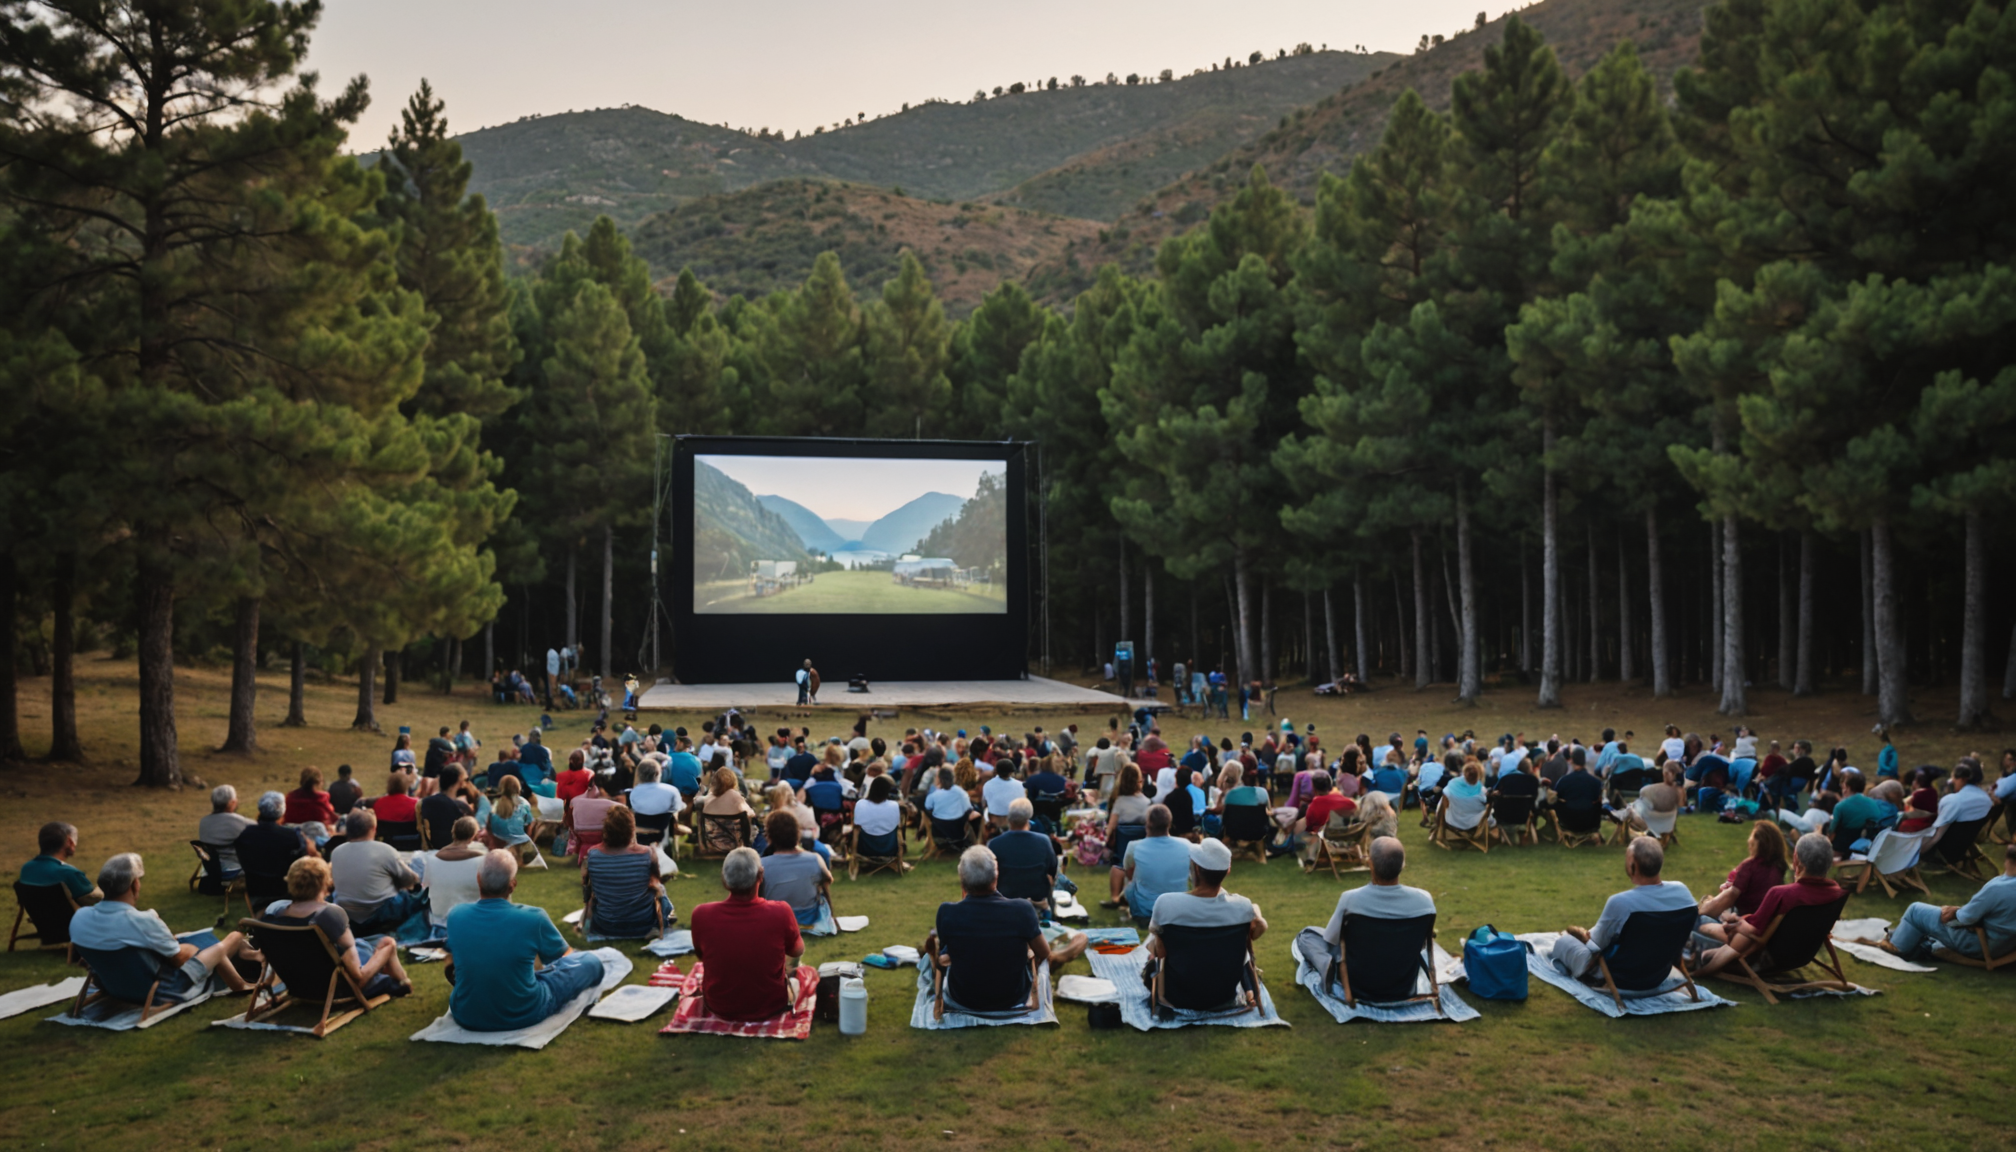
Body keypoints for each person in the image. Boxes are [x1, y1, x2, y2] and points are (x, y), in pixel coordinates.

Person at [443, 851, 605, 1031]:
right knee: (590, 962)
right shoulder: (533, 918)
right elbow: (564, 958)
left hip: (466, 1014)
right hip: (524, 1012)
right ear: (512, 885)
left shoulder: (456, 915)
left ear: (478, 879)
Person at [69, 853, 259, 995]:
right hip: (161, 989)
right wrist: (190, 948)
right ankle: (241, 986)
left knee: (196, 938)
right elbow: (178, 959)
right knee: (226, 941)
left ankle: (245, 956)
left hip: (114, 985)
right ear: (134, 885)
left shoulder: (80, 917)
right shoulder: (141, 920)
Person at [924, 847, 1063, 1013]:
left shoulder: (947, 912)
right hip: (1012, 996)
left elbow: (949, 955)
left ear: (962, 881)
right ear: (996, 877)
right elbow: (1044, 953)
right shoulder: (1022, 909)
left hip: (964, 997)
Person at [1691, 833, 1845, 977]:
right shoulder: (1836, 893)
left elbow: (1751, 932)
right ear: (1829, 863)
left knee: (1698, 919)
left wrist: (1733, 921)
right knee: (1719, 916)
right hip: (1800, 954)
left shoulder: (1783, 894)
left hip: (1761, 958)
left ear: (1796, 859)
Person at [1547, 835, 1696, 981]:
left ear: (1633, 866)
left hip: (1621, 977)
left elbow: (1595, 945)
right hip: (1658, 975)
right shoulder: (1683, 893)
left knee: (1564, 941)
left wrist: (1581, 936)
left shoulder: (1622, 903)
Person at [261, 856, 411, 997]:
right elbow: (358, 977)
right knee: (387, 944)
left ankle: (399, 981)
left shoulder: (275, 915)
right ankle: (403, 983)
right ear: (325, 882)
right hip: (334, 988)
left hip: (298, 986)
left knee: (365, 945)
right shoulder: (329, 914)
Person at [690, 847, 806, 1020]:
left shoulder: (701, 914)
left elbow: (702, 957)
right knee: (800, 973)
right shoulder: (781, 911)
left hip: (718, 1005)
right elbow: (797, 950)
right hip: (772, 1005)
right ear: (760, 875)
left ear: (724, 880)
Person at [1144, 837, 1267, 970]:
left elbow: (1161, 953)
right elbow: (1256, 929)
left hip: (1179, 987)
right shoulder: (1242, 907)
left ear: (1196, 869)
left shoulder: (1166, 904)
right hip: (1224, 987)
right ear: (1228, 870)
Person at [1885, 843, 2016, 962]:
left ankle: (1898, 948)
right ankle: (1903, 934)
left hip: (1980, 944)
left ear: (2008, 862)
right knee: (1937, 915)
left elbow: (1966, 917)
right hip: (2005, 945)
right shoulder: (2003, 885)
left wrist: (1954, 911)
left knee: (1915, 911)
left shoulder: (1997, 888)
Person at [1317, 836, 1435, 951]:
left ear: (1370, 864)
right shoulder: (1424, 900)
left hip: (1360, 969)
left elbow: (1330, 939)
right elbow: (1423, 944)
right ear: (1403, 865)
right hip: (1405, 969)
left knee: (1307, 935)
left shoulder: (1351, 900)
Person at [327, 810, 424, 932]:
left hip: (347, 913)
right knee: (417, 895)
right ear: (373, 828)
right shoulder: (384, 850)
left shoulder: (336, 852)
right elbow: (410, 880)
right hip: (380, 915)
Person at [582, 807, 673, 936]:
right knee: (660, 890)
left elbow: (587, 890)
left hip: (605, 925)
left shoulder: (592, 854)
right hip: (643, 924)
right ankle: (665, 923)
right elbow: (655, 882)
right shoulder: (648, 852)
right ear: (632, 829)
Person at [1103, 804, 1192, 917]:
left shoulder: (1134, 847)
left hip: (1144, 910)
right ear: (1169, 824)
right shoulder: (1186, 845)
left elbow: (1129, 875)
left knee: (1130, 884)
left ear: (1147, 824)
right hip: (1178, 909)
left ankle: (1127, 907)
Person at [1697, 821, 1790, 923]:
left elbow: (1729, 897)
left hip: (1744, 924)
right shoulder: (1778, 868)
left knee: (1699, 921)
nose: (1749, 840)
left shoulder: (1751, 866)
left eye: (1752, 836)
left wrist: (1701, 911)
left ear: (1759, 842)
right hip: (1763, 923)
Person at [988, 798, 1063, 915]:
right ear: (1028, 818)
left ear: (1009, 819)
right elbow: (1052, 870)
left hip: (1005, 898)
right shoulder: (1043, 841)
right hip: (1037, 897)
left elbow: (989, 876)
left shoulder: (994, 844)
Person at [758, 810, 831, 925]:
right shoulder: (814, 859)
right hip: (808, 917)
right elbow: (828, 880)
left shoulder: (762, 864)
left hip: (774, 918)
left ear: (769, 836)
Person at [234, 791, 318, 888]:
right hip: (288, 890)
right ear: (282, 811)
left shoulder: (245, 835)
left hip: (256, 889)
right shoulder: (293, 836)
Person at [425, 817, 488, 929]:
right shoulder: (481, 862)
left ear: (453, 833)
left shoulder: (431, 860)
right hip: (469, 921)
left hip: (437, 920)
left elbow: (426, 887)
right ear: (473, 836)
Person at [21, 821, 100, 903]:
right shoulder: (69, 873)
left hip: (39, 916)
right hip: (71, 916)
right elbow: (94, 901)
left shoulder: (27, 868)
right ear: (69, 842)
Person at [197, 784, 255, 877]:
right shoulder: (240, 822)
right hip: (233, 869)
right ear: (231, 803)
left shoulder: (204, 821)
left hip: (210, 868)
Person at [419, 764, 478, 849]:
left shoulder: (424, 803)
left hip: (428, 852)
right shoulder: (462, 809)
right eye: (466, 780)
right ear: (460, 780)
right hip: (454, 855)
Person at [486, 776, 539, 854]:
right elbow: (528, 825)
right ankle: (526, 847)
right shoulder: (524, 803)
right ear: (518, 788)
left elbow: (489, 826)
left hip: (498, 841)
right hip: (517, 842)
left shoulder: (494, 803)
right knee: (532, 821)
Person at [518, 729, 556, 796]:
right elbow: (547, 767)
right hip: (539, 780)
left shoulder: (523, 748)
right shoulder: (543, 751)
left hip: (525, 779)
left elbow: (519, 763)